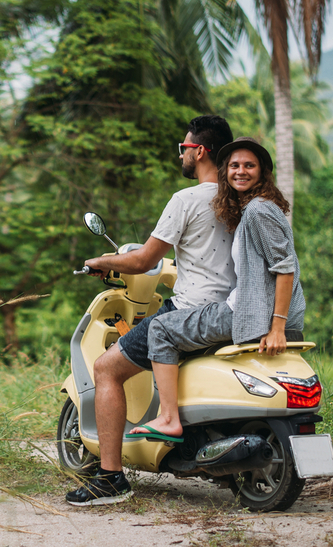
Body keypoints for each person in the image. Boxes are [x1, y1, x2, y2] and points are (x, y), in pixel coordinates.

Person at [65, 115, 236, 507]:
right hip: (233, 311)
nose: (181, 155)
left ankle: (109, 478)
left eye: (183, 148)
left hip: (191, 312)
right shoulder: (239, 197)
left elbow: (143, 260)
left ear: (200, 151)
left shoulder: (187, 199)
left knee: (106, 368)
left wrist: (102, 260)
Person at [127, 138, 305, 442]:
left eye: (249, 165)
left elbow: (285, 268)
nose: (240, 171)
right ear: (225, 171)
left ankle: (168, 418)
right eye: (234, 165)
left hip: (249, 314)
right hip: (257, 311)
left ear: (263, 172)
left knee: (160, 328)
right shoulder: (255, 208)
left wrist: (277, 327)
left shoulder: (259, 211)